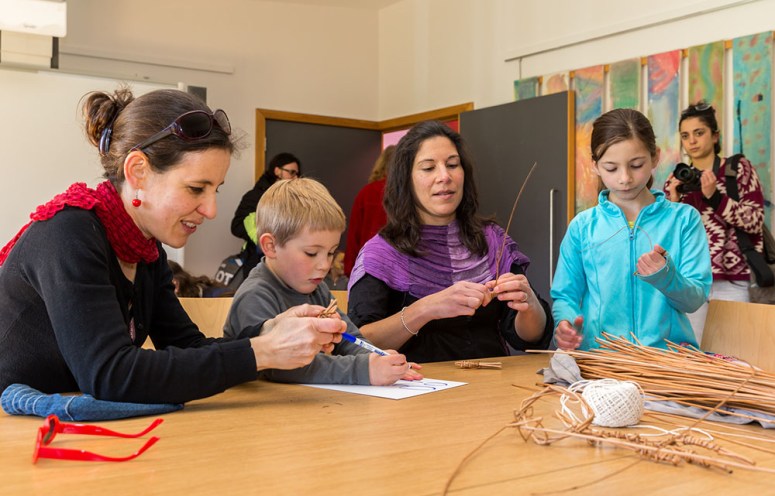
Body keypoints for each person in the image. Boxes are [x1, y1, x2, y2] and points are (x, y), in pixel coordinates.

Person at [0, 88, 345, 405]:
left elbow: (189, 348)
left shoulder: (146, 252)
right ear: (138, 171)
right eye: (197, 189)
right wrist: (262, 351)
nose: (211, 210)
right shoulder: (69, 234)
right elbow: (111, 375)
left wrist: (270, 333)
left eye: (216, 190)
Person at [347, 120, 553, 363]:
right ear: (406, 179)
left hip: (491, 390)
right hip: (413, 392)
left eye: (453, 165)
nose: (444, 176)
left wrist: (529, 304)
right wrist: (425, 309)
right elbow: (357, 342)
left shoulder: (493, 241)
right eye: (428, 168)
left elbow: (529, 339)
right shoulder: (382, 252)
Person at [225, 178, 420, 385]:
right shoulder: (255, 295)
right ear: (271, 246)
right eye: (311, 253)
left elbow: (348, 337)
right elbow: (282, 368)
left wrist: (377, 358)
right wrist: (363, 370)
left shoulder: (317, 288)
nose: (324, 265)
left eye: (331, 253)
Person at [552, 108, 712, 351]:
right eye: (611, 168)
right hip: (602, 363)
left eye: (636, 165)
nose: (625, 178)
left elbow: (694, 299)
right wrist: (564, 323)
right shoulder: (582, 227)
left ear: (655, 157)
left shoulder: (684, 220)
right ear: (595, 166)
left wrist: (666, 277)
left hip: (667, 362)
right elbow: (565, 295)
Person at [665, 101, 766, 340]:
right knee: (693, 351)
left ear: (715, 136)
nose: (692, 141)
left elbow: (754, 221)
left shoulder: (737, 168)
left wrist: (715, 197)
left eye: (699, 133)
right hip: (690, 279)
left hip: (733, 279)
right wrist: (674, 201)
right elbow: (666, 236)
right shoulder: (677, 179)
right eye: (685, 135)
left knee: (735, 351)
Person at [231, 152, 302, 280]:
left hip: (287, 261)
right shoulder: (254, 196)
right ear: (277, 171)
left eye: (297, 174)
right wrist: (261, 236)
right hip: (256, 261)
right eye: (291, 172)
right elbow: (236, 226)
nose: (295, 178)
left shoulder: (295, 199)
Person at [343, 145, 395, 276]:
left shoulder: (365, 193)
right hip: (396, 268)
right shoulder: (406, 194)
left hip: (365, 266)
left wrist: (350, 270)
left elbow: (354, 236)